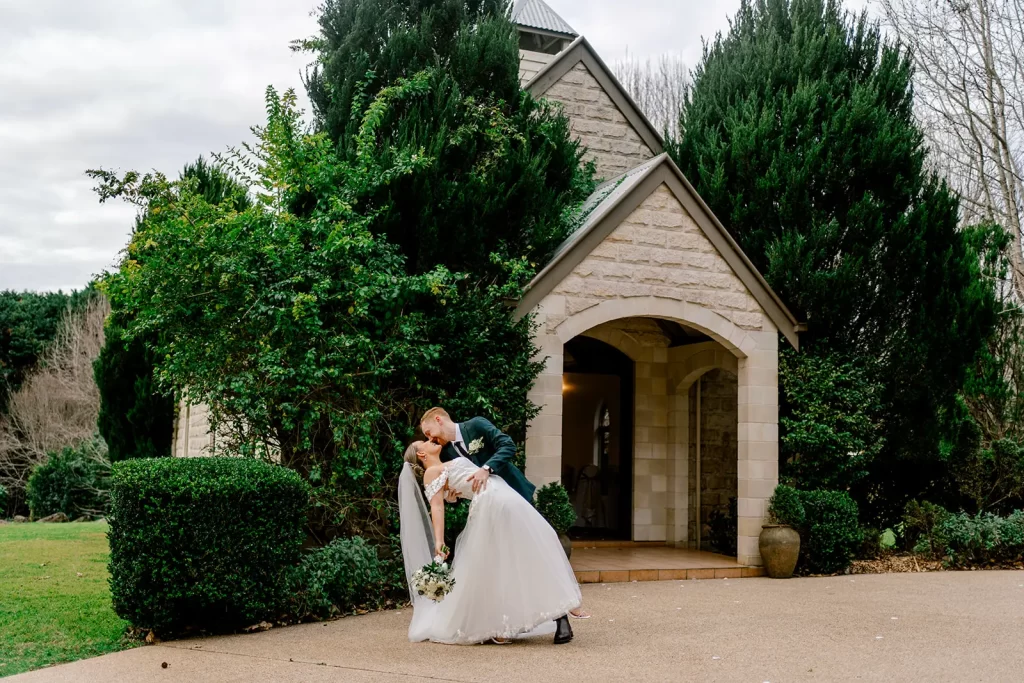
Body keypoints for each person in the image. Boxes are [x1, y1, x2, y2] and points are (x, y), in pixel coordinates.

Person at [399, 438, 580, 645]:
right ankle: (502, 624)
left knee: (525, 550)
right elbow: (437, 507)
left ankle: (551, 616)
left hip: (502, 497)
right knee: (500, 564)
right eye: (423, 441)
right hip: (490, 506)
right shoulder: (432, 472)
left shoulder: (445, 465)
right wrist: (439, 541)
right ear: (421, 454)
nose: (429, 439)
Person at [418, 407, 592, 621]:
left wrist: (487, 468)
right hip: (488, 510)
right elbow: (456, 485)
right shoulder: (445, 453)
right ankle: (511, 617)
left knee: (538, 545)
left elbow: (507, 445)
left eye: (429, 432)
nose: (430, 438)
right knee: (505, 560)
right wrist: (453, 495)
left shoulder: (476, 425)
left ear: (438, 420)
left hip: (513, 495)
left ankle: (567, 605)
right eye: (426, 437)